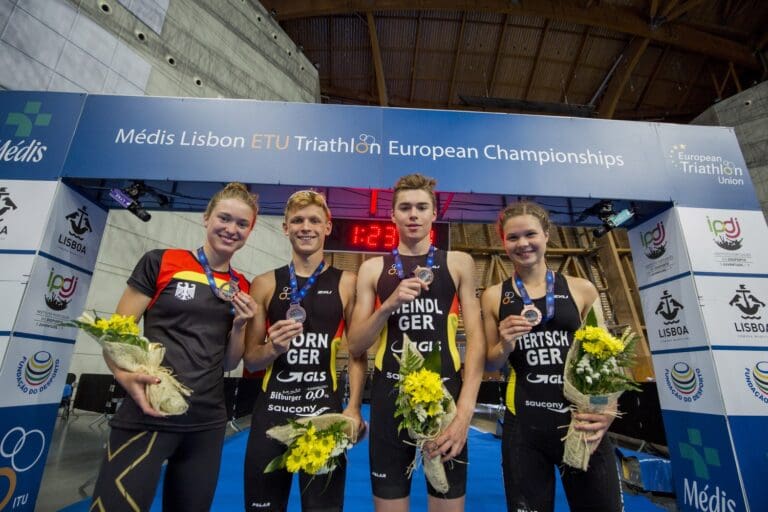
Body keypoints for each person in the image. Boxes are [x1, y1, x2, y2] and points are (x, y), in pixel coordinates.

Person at [90, 182, 258, 512]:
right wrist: (124, 378)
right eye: (224, 218)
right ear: (206, 217)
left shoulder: (242, 286)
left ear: (250, 231)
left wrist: (239, 324)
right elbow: (116, 334)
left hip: (206, 423)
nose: (231, 229)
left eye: (242, 224)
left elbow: (228, 363)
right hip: (149, 412)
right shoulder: (161, 261)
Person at [348, 173, 485, 512]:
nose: (413, 214)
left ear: (434, 214)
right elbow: (354, 345)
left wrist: (464, 413)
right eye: (405, 207)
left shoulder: (458, 263)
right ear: (392, 215)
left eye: (422, 207)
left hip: (446, 402)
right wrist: (388, 306)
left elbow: (478, 343)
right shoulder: (372, 269)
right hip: (388, 402)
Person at [481, 201, 623, 512]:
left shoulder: (582, 289)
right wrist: (505, 342)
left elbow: (607, 361)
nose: (523, 244)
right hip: (525, 428)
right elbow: (490, 365)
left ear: (547, 235)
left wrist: (607, 411)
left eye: (530, 234)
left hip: (581, 424)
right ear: (503, 242)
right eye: (513, 237)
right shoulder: (494, 296)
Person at [243, 190, 367, 512]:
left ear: (328, 227)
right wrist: (274, 347)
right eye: (297, 220)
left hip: (323, 412)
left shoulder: (347, 282)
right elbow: (251, 358)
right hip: (272, 411)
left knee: (323, 508)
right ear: (285, 227)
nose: (306, 227)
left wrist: (353, 408)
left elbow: (357, 353)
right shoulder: (265, 284)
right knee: (262, 507)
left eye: (314, 220)